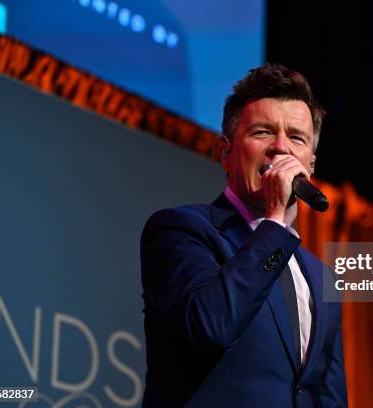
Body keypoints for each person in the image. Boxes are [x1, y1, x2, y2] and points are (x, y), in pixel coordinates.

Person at [140, 63, 347, 407]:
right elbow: (211, 327)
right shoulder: (180, 231)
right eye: (263, 132)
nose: (281, 148)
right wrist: (276, 220)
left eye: (296, 138)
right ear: (226, 153)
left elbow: (327, 396)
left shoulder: (320, 277)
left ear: (310, 165)